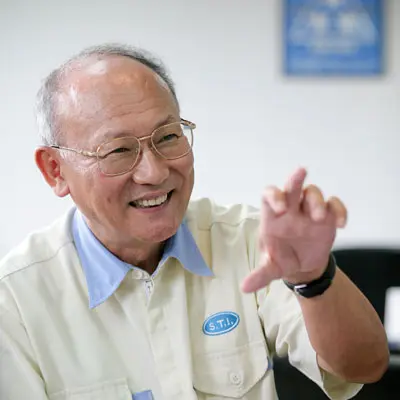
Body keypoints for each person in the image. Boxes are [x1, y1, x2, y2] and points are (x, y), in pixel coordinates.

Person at [0, 43, 389, 400]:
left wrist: (315, 278)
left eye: (168, 137)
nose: (154, 172)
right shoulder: (15, 302)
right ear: (55, 170)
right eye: (118, 150)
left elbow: (365, 367)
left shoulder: (248, 242)